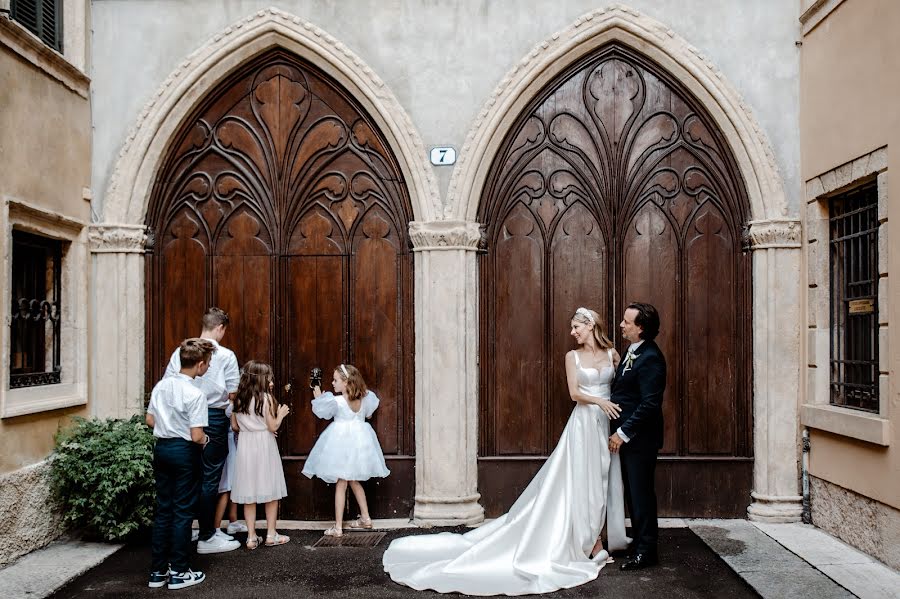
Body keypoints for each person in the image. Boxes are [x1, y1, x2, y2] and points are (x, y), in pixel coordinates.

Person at [382, 307, 629, 595]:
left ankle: (594, 538)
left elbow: (621, 390)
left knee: (600, 482)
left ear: (591, 326)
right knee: (579, 482)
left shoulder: (612, 355)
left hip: (606, 426)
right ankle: (588, 542)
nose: (572, 332)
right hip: (583, 425)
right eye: (572, 327)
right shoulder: (571, 357)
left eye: (577, 327)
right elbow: (574, 393)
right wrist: (599, 403)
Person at [165, 307, 240, 554]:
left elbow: (169, 384)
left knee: (189, 474)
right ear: (220, 328)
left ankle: (190, 530)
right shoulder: (226, 355)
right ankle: (208, 535)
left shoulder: (180, 352)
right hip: (213, 417)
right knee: (210, 478)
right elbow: (232, 392)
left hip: (183, 418)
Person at [146, 338, 214, 590]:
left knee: (164, 509)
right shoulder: (196, 394)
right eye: (207, 364)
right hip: (185, 451)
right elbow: (197, 435)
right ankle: (179, 571)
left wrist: (168, 426)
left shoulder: (161, 387)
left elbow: (150, 420)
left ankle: (157, 571)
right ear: (198, 365)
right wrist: (207, 439)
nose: (207, 368)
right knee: (183, 511)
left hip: (162, 448)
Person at [608, 302, 667, 571]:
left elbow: (649, 404)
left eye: (626, 322)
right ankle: (641, 542)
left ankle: (646, 551)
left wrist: (623, 432)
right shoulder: (633, 351)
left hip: (640, 438)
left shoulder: (652, 357)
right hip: (631, 437)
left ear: (640, 328)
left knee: (641, 494)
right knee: (633, 492)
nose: (621, 325)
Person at [302, 364, 390, 537]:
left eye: (336, 380)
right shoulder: (366, 398)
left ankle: (338, 527)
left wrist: (317, 389)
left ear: (346, 382)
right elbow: (369, 415)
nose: (333, 383)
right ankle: (365, 518)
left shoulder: (337, 401)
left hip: (340, 443)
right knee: (354, 480)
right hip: (361, 443)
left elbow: (321, 410)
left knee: (341, 483)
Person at [230, 361, 291, 549]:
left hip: (246, 445)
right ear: (263, 379)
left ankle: (251, 537)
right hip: (264, 445)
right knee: (270, 488)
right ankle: (271, 534)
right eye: (269, 377)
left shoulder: (238, 399)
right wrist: (281, 414)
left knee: (249, 491)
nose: (272, 380)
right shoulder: (267, 399)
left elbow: (235, 426)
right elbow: (273, 426)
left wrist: (252, 429)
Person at [213, 401, 248, 536]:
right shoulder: (225, 403)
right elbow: (235, 426)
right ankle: (215, 527)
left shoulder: (230, 402)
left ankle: (233, 520)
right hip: (228, 444)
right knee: (226, 485)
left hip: (232, 442)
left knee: (232, 483)